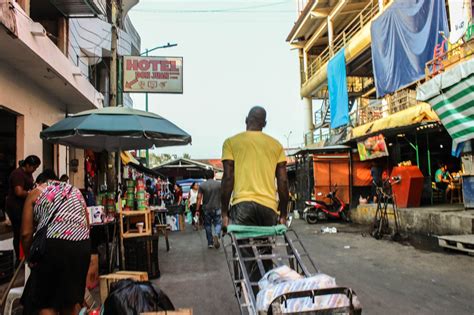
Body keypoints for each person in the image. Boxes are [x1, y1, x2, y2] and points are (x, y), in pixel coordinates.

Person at [221, 106, 289, 282]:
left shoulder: (231, 142)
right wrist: (283, 214)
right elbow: (282, 182)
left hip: (242, 206)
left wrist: (224, 214)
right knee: (265, 253)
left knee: (245, 255)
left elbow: (228, 179)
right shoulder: (276, 145)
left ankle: (251, 289)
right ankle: (264, 291)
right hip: (268, 208)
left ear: (246, 120)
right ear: (264, 124)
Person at [21, 169, 90, 315]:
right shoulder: (76, 191)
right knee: (70, 301)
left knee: (46, 302)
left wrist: (30, 258)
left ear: (40, 183)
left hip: (53, 246)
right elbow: (87, 225)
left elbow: (26, 234)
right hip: (81, 246)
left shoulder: (35, 192)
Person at [6, 155, 41, 264]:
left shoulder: (28, 174)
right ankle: (20, 258)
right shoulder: (18, 174)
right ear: (27, 165)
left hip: (24, 206)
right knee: (19, 232)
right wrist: (31, 194)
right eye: (34, 167)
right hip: (15, 207)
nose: (34, 170)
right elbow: (19, 192)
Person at [196, 173, 222, 249]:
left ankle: (210, 243)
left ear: (205, 176)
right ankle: (217, 234)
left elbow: (199, 198)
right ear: (213, 175)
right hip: (217, 207)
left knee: (207, 225)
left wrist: (197, 209)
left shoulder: (202, 185)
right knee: (218, 223)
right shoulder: (219, 184)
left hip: (206, 209)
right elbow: (223, 195)